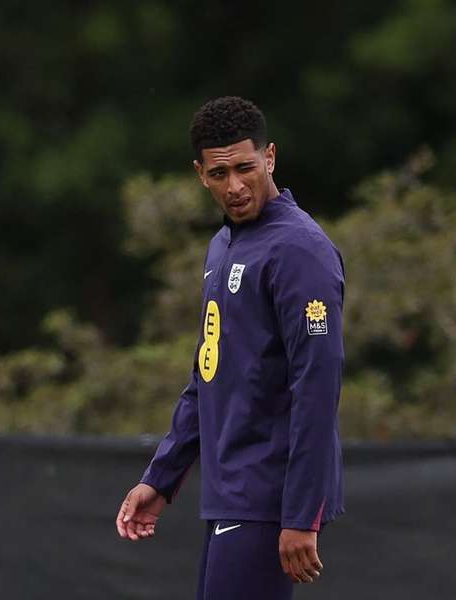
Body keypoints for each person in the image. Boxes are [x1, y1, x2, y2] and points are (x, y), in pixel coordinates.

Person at [115, 96, 345, 600]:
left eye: (246, 167)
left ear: (270, 158)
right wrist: (161, 476)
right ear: (201, 174)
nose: (235, 186)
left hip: (268, 496)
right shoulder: (224, 246)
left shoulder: (299, 249)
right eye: (220, 174)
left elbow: (318, 387)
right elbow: (208, 373)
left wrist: (302, 513)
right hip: (230, 495)